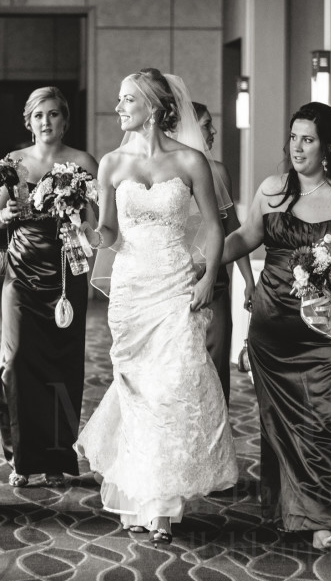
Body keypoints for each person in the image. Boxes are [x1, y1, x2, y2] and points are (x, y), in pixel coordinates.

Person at [74, 69, 238, 546]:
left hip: (174, 285)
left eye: (128, 100)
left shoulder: (190, 161)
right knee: (137, 392)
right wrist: (85, 232)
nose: (119, 107)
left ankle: (162, 505)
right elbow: (108, 232)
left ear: (153, 106)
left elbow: (213, 225)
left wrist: (208, 275)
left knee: (171, 387)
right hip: (129, 291)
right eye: (120, 99)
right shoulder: (110, 164)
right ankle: (140, 495)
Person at [221, 101, 331, 551]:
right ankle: (298, 511)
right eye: (293, 137)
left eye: (307, 139)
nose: (297, 147)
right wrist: (207, 256)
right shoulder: (272, 189)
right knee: (286, 425)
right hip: (275, 330)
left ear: (328, 146)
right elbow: (248, 236)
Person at [0, 86, 98, 489]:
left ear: (64, 120)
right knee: (16, 364)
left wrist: (81, 224)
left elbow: (96, 221)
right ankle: (22, 455)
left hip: (68, 272)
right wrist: (7, 213)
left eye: (53, 114)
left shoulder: (83, 162)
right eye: (39, 115)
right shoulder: (13, 162)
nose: (46, 122)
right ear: (29, 121)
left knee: (63, 366)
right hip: (21, 274)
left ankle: (57, 456)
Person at [192, 102, 255, 406]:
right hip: (176, 281)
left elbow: (234, 229)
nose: (213, 130)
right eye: (206, 124)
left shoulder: (218, 172)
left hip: (214, 281)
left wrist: (249, 281)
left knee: (215, 367)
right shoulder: (170, 173)